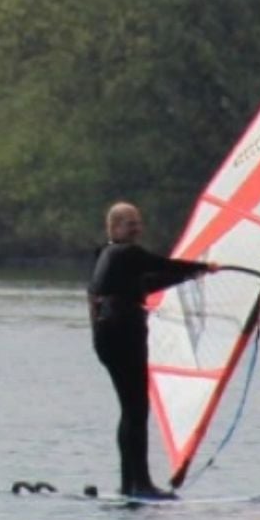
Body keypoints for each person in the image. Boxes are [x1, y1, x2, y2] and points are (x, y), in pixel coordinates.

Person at [87, 202, 216, 499]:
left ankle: (129, 484)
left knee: (131, 409)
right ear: (114, 227)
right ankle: (141, 484)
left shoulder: (106, 257)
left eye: (138, 222)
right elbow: (161, 265)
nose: (137, 228)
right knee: (137, 410)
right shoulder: (125, 253)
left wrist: (193, 275)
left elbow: (152, 281)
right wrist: (201, 267)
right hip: (123, 333)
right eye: (130, 223)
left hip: (107, 336)